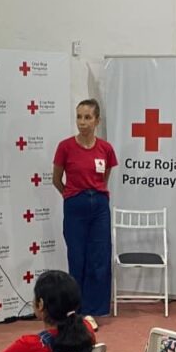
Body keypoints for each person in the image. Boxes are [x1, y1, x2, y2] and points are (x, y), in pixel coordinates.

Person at [52, 99, 118, 318]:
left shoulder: (106, 148)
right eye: (79, 117)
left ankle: (96, 308)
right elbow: (56, 179)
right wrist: (71, 195)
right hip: (75, 205)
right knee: (77, 257)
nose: (82, 122)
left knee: (99, 256)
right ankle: (76, 308)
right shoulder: (65, 147)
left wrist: (95, 193)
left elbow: (105, 177)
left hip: (99, 207)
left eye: (87, 117)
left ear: (97, 120)